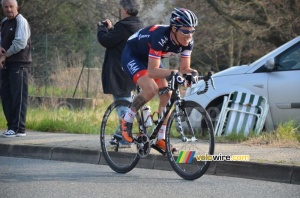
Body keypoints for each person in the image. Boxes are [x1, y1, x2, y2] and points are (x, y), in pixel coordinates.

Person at [121, 8, 198, 151]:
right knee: (151, 89)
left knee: (167, 94)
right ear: (174, 29)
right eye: (185, 31)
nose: (189, 35)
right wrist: (173, 72)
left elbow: (185, 68)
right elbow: (152, 72)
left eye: (192, 31)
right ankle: (126, 119)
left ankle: (159, 137)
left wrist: (192, 73)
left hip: (152, 59)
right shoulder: (160, 37)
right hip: (133, 55)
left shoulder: (189, 41)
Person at [97, 0, 143, 144]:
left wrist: (101, 28)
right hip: (132, 71)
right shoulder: (138, 25)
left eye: (121, 8)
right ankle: (120, 135)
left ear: (125, 9)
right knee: (127, 104)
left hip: (119, 71)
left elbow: (106, 41)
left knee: (122, 106)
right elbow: (119, 40)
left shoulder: (123, 26)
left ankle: (124, 138)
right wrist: (111, 29)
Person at [0, 0, 31, 137]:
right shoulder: (4, 22)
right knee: (6, 96)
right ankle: (11, 127)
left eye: (11, 6)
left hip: (19, 63)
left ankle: (18, 128)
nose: (9, 9)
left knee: (18, 96)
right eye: (6, 7)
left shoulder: (21, 21)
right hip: (6, 64)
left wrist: (5, 54)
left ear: (16, 7)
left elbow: (20, 42)